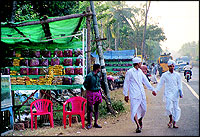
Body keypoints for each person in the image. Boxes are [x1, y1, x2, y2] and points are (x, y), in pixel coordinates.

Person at [123, 57, 156, 133]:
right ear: (137, 63)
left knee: (144, 109)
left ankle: (140, 119)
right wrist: (125, 94)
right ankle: (138, 126)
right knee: (134, 110)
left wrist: (152, 90)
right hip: (134, 94)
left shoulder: (140, 72)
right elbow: (126, 83)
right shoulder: (130, 72)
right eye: (140, 63)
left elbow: (146, 81)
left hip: (141, 94)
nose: (141, 64)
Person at [152, 60, 183, 128]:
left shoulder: (177, 75)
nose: (172, 67)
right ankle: (171, 119)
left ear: (174, 66)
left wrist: (181, 92)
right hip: (168, 93)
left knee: (176, 108)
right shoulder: (164, 75)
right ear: (168, 66)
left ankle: (174, 122)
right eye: (170, 66)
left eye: (173, 66)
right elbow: (160, 84)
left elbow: (180, 84)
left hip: (175, 93)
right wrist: (156, 91)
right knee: (168, 108)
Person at [83, 64, 103, 129]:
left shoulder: (97, 75)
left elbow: (98, 84)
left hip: (97, 93)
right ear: (97, 69)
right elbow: (85, 84)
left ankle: (96, 123)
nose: (100, 70)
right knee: (90, 109)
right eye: (99, 68)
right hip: (91, 93)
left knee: (96, 108)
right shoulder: (89, 76)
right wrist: (89, 89)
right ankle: (89, 123)